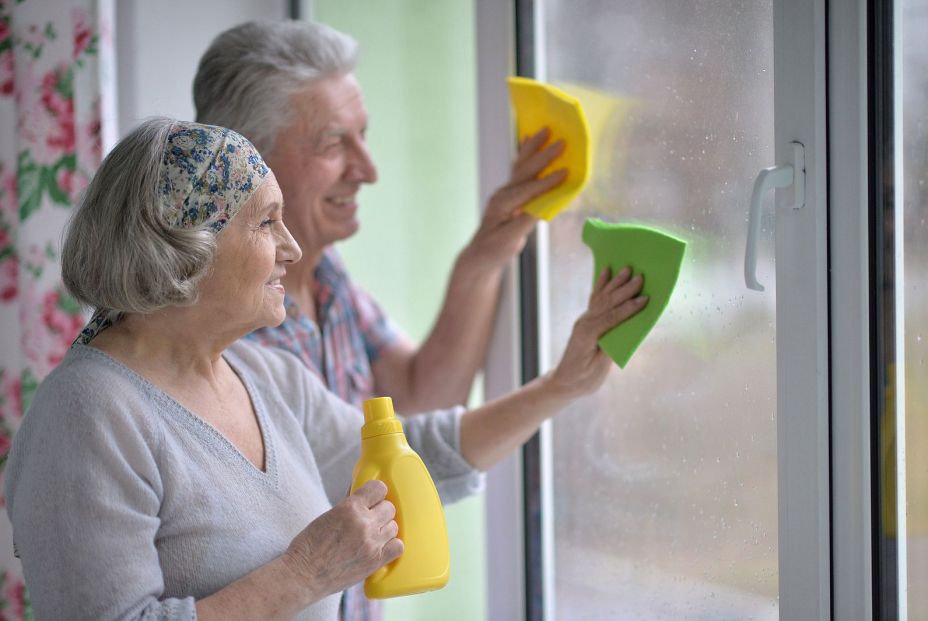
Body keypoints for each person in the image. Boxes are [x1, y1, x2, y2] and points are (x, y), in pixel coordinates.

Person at [4, 119, 646, 621]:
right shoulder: (87, 416)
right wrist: (305, 573)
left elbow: (411, 456)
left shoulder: (264, 376)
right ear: (184, 250)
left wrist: (563, 384)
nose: (293, 248)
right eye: (266, 222)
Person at [193, 22, 568, 618]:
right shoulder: (213, 331)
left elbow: (418, 399)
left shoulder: (330, 279)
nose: (367, 170)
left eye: (363, 137)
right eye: (334, 144)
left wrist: (483, 261)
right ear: (247, 161)